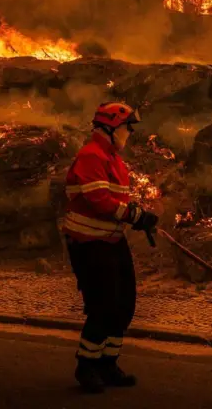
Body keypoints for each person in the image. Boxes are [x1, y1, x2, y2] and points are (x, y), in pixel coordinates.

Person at [62, 101, 159, 393]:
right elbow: (100, 201)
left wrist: (137, 214)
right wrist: (134, 215)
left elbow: (116, 201)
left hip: (112, 240)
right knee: (103, 305)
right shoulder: (91, 156)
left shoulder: (114, 159)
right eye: (127, 127)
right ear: (110, 127)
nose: (129, 132)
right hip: (89, 243)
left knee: (124, 304)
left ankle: (108, 363)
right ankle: (86, 365)